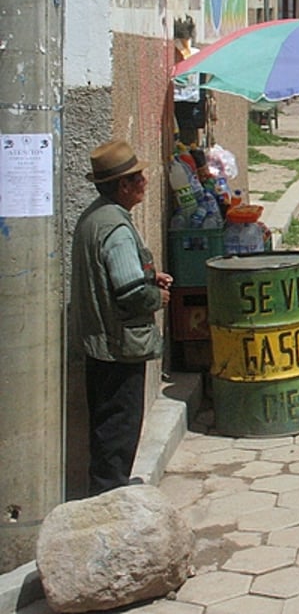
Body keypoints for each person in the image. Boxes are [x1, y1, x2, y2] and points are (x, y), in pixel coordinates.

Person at [71, 140, 173, 495]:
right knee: (119, 425)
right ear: (123, 186)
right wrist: (155, 296)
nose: (145, 181)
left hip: (99, 342)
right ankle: (112, 496)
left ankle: (111, 487)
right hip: (117, 345)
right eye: (138, 178)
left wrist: (148, 275)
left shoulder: (95, 216)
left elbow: (112, 275)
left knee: (107, 423)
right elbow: (129, 295)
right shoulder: (115, 228)